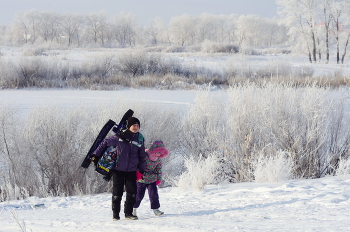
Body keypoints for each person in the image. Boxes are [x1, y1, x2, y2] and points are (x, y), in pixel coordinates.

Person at [92, 116, 146, 221]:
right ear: (129, 126)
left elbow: (142, 155)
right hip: (118, 169)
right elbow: (104, 143)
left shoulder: (140, 138)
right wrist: (96, 155)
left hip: (131, 170)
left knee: (132, 192)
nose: (135, 127)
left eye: (137, 125)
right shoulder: (119, 136)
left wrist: (142, 168)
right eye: (133, 125)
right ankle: (115, 215)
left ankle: (128, 214)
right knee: (117, 192)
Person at [132, 140, 169, 217]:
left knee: (154, 195)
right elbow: (136, 164)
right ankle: (133, 209)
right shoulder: (144, 155)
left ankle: (156, 210)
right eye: (158, 152)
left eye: (160, 153)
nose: (159, 155)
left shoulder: (158, 160)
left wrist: (159, 179)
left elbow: (159, 170)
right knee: (139, 195)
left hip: (152, 179)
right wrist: (137, 173)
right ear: (154, 150)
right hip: (141, 179)